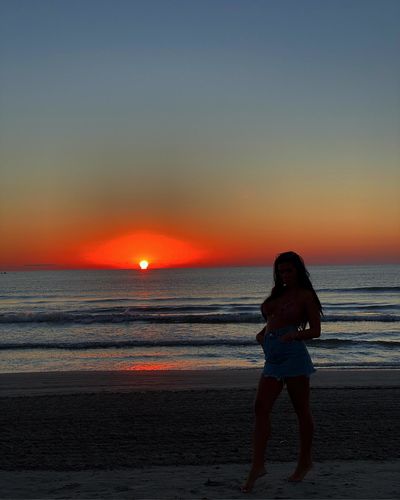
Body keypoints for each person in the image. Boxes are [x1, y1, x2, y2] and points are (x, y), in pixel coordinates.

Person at [241, 251, 323, 493]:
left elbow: (316, 331)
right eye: (281, 271)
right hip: (272, 358)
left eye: (289, 270)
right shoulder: (277, 293)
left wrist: (293, 335)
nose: (284, 275)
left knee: (301, 410)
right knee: (260, 407)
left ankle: (304, 461)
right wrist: (262, 333)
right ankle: (257, 465)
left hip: (293, 356)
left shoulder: (306, 296)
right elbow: (272, 320)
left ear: (298, 270)